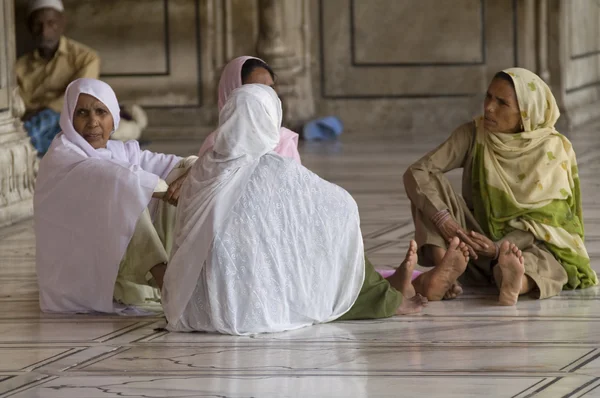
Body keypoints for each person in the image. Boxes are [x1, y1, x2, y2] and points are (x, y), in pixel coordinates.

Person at [162, 84, 472, 336]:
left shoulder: (203, 168)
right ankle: (386, 296)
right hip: (250, 310)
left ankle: (389, 288)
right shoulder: (271, 168)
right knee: (331, 227)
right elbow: (339, 204)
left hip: (195, 309)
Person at [403, 67, 598, 306]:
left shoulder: (553, 151)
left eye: (502, 103)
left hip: (526, 246)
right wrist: (445, 222)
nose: (488, 107)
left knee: (552, 264)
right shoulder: (474, 134)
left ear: (526, 113)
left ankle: (516, 281)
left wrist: (497, 250)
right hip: (471, 244)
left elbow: (550, 223)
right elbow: (417, 172)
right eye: (488, 97)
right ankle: (445, 271)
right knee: (428, 188)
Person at [34, 78, 197, 314]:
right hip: (83, 278)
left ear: (114, 118)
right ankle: (165, 280)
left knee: (186, 175)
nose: (93, 122)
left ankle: (184, 272)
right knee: (119, 191)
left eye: (101, 112)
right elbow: (112, 177)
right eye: (82, 112)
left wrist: (188, 172)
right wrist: (161, 190)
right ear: (69, 118)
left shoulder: (119, 151)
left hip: (116, 264)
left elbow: (175, 164)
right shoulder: (63, 154)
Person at [16, 0, 146, 156]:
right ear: (30, 26)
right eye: (38, 24)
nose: (45, 31)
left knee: (72, 126)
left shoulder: (85, 58)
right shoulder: (19, 66)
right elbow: (19, 104)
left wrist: (44, 111)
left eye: (51, 23)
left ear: (62, 23)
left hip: (71, 116)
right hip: (35, 121)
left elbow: (80, 97)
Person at [197, 56, 301, 164]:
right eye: (256, 90)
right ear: (232, 93)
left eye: (270, 88)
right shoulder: (215, 147)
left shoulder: (284, 142)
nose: (266, 96)